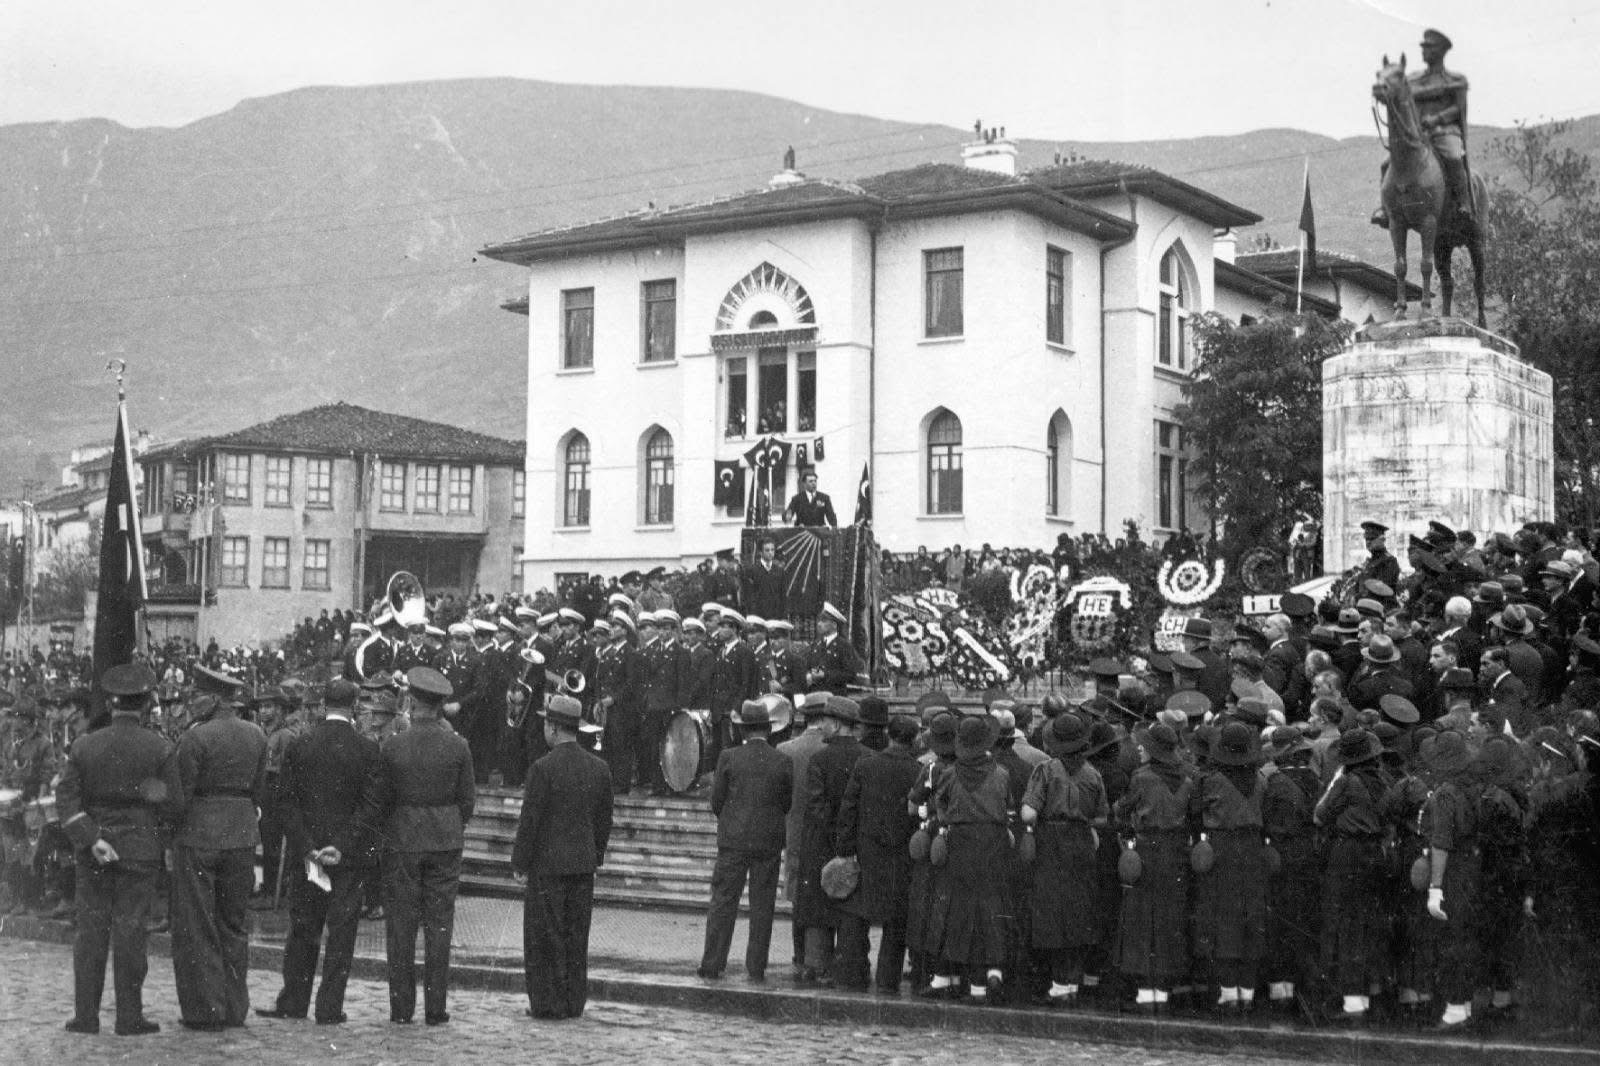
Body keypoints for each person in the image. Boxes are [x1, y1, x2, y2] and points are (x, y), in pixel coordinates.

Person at [56, 664, 180, 1036]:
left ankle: (86, 1017)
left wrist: (92, 838)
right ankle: (129, 1017)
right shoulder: (160, 747)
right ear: (145, 705)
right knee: (131, 932)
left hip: (92, 849)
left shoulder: (83, 745)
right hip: (140, 850)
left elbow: (67, 799)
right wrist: (155, 838)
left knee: (90, 932)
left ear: (111, 704)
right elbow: (174, 805)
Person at [257, 679, 382, 1025]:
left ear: (324, 705)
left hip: (309, 857)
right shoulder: (368, 749)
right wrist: (341, 845)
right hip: (348, 857)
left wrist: (307, 846)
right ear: (354, 706)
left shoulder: (300, 745)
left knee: (302, 928)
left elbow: (285, 802)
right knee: (342, 933)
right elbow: (371, 807)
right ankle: (329, 1008)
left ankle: (293, 1002)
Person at [367, 666, 476, 1025]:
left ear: (412, 702)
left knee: (400, 925)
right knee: (440, 925)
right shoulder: (459, 746)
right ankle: (435, 1008)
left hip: (403, 841)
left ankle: (401, 1008)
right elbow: (468, 801)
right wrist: (447, 825)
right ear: (440, 705)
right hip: (445, 841)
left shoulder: (394, 746)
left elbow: (381, 800)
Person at [170, 667, 268, 1031]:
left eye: (198, 696)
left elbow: (181, 793)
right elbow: (259, 789)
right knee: (233, 923)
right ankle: (234, 1007)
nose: (193, 703)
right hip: (241, 833)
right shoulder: (256, 735)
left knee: (197, 923)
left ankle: (205, 1009)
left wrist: (171, 832)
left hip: (199, 834)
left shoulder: (196, 738)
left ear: (214, 700)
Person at [512, 693, 614, 1019]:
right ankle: (573, 1002)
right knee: (576, 935)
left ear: (554, 728)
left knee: (544, 936)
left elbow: (530, 820)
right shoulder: (599, 768)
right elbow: (604, 820)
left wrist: (520, 862)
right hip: (582, 865)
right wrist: (595, 856)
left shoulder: (542, 768)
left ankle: (547, 1003)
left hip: (547, 866)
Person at [698, 696, 793, 982]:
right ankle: (756, 967)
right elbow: (786, 803)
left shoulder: (728, 757)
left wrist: (733, 821)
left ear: (742, 729)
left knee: (723, 903)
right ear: (769, 729)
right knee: (763, 907)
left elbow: (717, 801)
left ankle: (712, 963)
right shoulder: (782, 760)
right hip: (768, 841)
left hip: (733, 841)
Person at [833, 710, 922, 992]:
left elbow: (848, 809)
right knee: (896, 920)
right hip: (901, 854)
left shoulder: (866, 765)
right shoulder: (918, 770)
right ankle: (887, 980)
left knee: (857, 914)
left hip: (866, 850)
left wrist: (845, 849)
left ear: (889, 735)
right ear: (914, 740)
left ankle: (851, 974)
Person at [1371, 28, 1473, 228]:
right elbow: (1402, 101)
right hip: (1418, 135)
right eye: (1423, 47)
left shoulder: (1455, 80)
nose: (1424, 51)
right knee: (1385, 164)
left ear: (1441, 51)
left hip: (1445, 132)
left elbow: (1458, 108)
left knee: (1453, 157)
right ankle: (1385, 209)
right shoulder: (1412, 79)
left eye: (1429, 47)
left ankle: (1463, 204)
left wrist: (1436, 119)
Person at [807, 603, 862, 696]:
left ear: (834, 625)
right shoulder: (815, 645)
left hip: (835, 696)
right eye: (819, 621)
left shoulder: (844, 646)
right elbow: (807, 666)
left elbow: (850, 675)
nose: (819, 624)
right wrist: (809, 675)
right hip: (815, 695)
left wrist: (825, 675)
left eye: (824, 621)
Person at [743, 536, 789, 621]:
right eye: (767, 550)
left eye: (772, 550)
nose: (770, 553)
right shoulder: (752, 571)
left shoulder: (779, 571)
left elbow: (783, 596)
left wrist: (784, 617)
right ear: (760, 552)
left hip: (775, 617)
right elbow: (749, 597)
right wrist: (752, 617)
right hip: (758, 617)